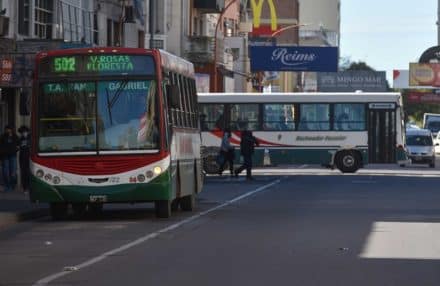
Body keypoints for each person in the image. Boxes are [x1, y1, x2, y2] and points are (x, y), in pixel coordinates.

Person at [0, 125, 19, 192]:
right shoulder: (2, 136)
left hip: (13, 156)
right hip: (5, 156)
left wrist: (16, 149)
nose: (8, 131)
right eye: (7, 129)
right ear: (5, 130)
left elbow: (18, 144)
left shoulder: (15, 136)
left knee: (13, 172)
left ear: (11, 130)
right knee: (5, 172)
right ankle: (7, 186)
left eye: (9, 129)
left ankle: (12, 185)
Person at [18, 125, 31, 194]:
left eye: (25, 132)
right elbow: (18, 147)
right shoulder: (20, 139)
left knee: (29, 172)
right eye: (22, 132)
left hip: (29, 157)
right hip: (22, 157)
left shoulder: (31, 138)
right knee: (23, 173)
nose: (24, 133)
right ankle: (25, 187)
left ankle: (29, 187)